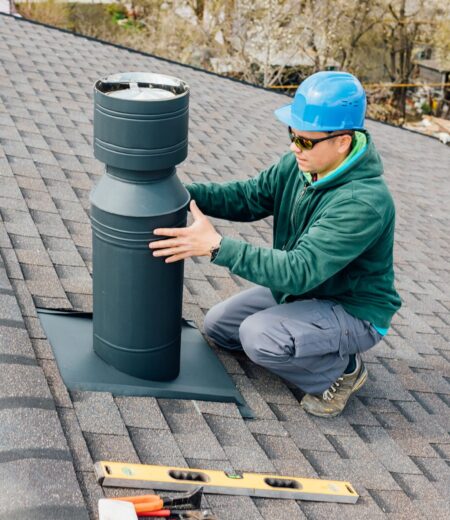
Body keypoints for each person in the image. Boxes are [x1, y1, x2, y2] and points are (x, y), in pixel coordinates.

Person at [149, 71, 401, 418]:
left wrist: (216, 247)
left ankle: (342, 373)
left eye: (306, 140)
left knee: (259, 337)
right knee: (219, 327)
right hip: (307, 290)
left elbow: (299, 271)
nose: (294, 147)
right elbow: (249, 197)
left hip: (351, 309)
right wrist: (181, 194)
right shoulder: (301, 165)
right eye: (292, 135)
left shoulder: (363, 203)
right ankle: (303, 337)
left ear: (342, 142)